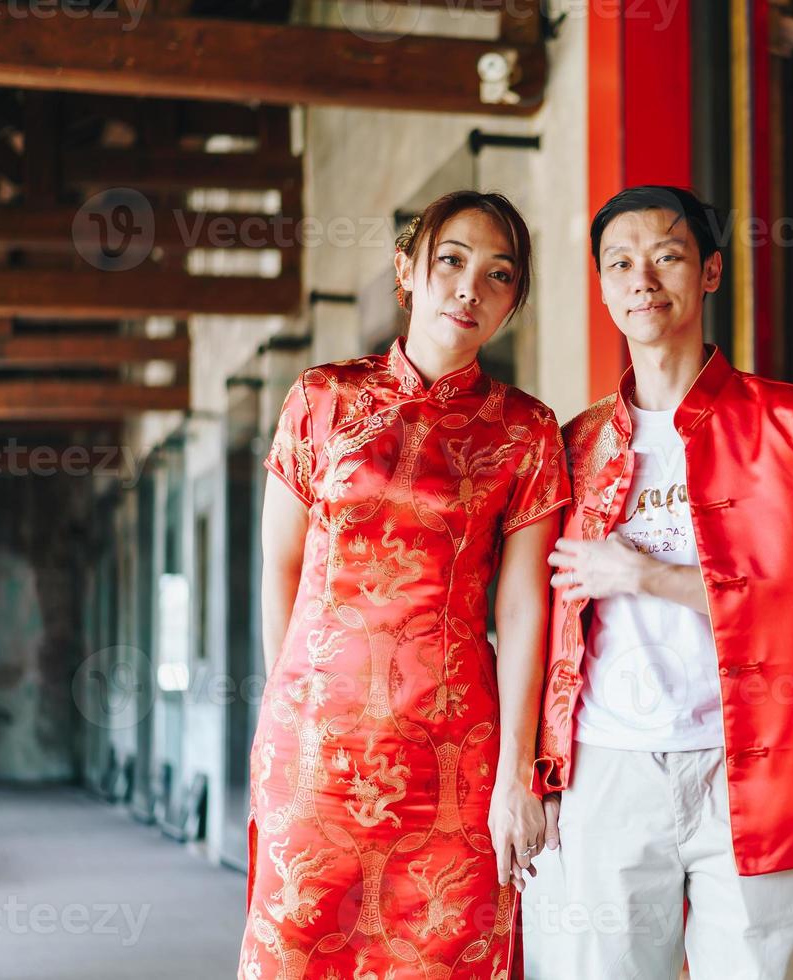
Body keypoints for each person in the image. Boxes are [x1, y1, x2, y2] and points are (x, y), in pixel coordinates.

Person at [522, 186, 793, 979]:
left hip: (748, 762)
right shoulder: (574, 443)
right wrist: (533, 772)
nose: (642, 279)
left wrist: (647, 574)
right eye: (619, 263)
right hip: (604, 766)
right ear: (603, 286)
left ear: (711, 272)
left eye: (667, 256)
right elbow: (538, 623)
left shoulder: (792, 424)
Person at [238, 191, 569, 980]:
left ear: (513, 302)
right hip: (316, 745)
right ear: (406, 271)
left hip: (455, 757)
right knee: (297, 952)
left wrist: (518, 774)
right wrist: (289, 706)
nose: (469, 289)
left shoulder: (526, 430)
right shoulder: (321, 399)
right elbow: (280, 567)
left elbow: (525, 608)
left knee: (446, 956)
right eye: (450, 261)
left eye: (498, 276)